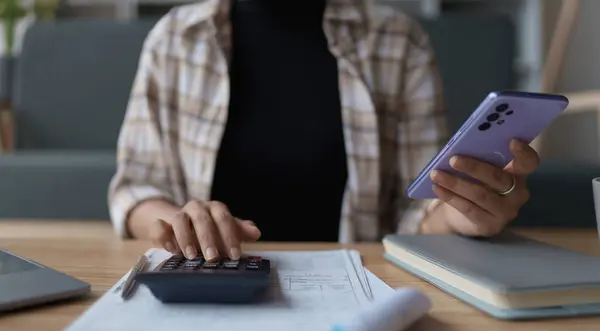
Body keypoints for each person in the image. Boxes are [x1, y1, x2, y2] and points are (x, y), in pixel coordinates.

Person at [108, 0, 539, 262]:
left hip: (363, 286)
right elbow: (134, 189)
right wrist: (182, 224)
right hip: (208, 282)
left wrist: (458, 213)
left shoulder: (398, 42)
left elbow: (415, 210)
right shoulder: (175, 39)